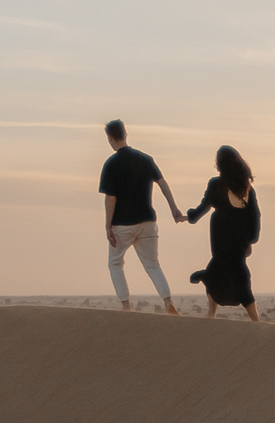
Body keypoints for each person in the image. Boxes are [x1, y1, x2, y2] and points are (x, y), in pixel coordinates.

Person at [97, 119, 184, 312]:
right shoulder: (145, 159)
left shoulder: (111, 164)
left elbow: (110, 198)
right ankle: (168, 301)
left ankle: (126, 305)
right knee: (153, 265)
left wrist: (107, 226)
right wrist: (174, 208)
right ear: (125, 134)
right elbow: (162, 183)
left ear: (110, 138)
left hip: (122, 224)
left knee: (115, 263)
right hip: (147, 221)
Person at [184, 145, 262, 321]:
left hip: (221, 236)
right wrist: (251, 240)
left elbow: (204, 206)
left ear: (220, 164)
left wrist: (190, 216)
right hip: (239, 240)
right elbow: (255, 216)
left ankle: (210, 296)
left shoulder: (216, 184)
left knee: (222, 271)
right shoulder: (246, 188)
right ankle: (218, 313)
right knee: (232, 272)